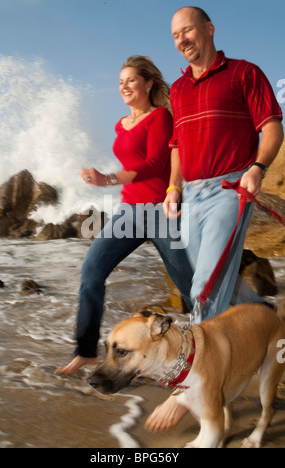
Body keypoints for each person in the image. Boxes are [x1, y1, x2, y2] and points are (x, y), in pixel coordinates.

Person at [146, 6, 284, 433]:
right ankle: (267, 322)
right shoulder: (180, 90)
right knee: (209, 281)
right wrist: (173, 188)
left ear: (208, 29)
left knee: (204, 287)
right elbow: (175, 146)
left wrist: (257, 168)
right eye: (174, 35)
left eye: (188, 30)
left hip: (230, 189)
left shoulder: (245, 72)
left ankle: (190, 390)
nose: (182, 39)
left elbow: (273, 126)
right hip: (193, 194)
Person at [55, 55, 193, 376]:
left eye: (131, 80)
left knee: (190, 285)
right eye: (120, 82)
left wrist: (108, 179)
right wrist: (108, 180)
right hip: (129, 212)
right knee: (91, 272)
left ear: (148, 83)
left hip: (161, 212)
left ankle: (221, 343)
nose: (124, 86)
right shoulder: (120, 123)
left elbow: (157, 164)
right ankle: (87, 352)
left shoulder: (160, 117)